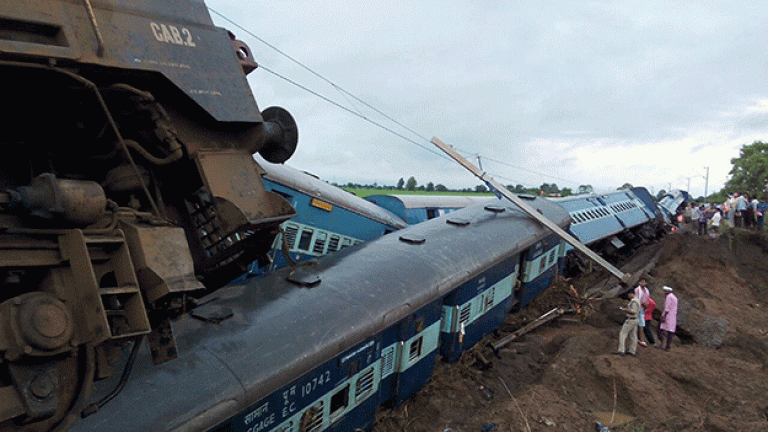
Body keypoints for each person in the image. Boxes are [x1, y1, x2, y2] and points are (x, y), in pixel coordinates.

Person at [615, 291, 641, 356]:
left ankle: (621, 350)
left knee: (622, 333)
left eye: (628, 294)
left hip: (631, 320)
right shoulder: (637, 300)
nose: (628, 296)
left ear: (631, 294)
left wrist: (625, 310)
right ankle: (632, 350)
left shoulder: (634, 301)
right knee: (633, 335)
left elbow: (633, 312)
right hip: (636, 319)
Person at [657, 286, 678, 351]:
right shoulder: (674, 297)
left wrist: (663, 316)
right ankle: (667, 346)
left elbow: (667, 308)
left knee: (659, 329)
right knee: (670, 332)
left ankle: (661, 342)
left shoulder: (669, 297)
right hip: (673, 316)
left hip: (668, 316)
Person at [634, 279, 651, 346]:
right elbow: (636, 299)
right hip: (637, 308)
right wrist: (643, 303)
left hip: (642, 309)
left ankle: (641, 340)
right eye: (641, 282)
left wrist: (646, 304)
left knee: (641, 324)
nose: (643, 283)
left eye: (644, 282)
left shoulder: (646, 290)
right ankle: (637, 338)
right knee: (636, 323)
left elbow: (648, 299)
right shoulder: (637, 290)